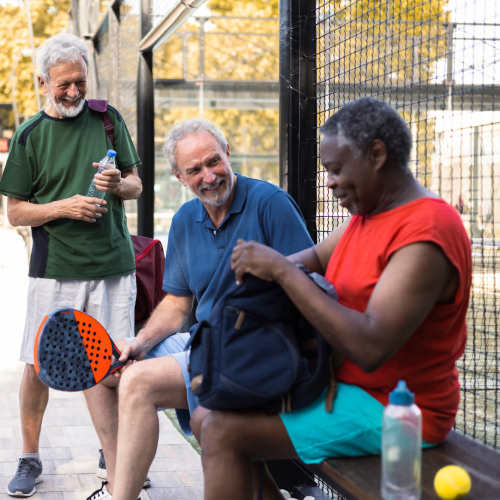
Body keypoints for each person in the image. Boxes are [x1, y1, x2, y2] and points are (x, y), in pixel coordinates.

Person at [189, 97, 473, 500]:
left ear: (376, 154)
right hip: (343, 388)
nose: (330, 182)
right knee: (206, 416)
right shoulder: (368, 216)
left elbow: (371, 345)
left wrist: (281, 271)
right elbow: (315, 258)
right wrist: (259, 265)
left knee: (221, 431)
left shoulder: (427, 230)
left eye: (337, 170)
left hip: (397, 410)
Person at [84, 118, 314, 500]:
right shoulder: (184, 220)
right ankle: (120, 478)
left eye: (214, 162)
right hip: (202, 342)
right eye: (195, 170)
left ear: (229, 155)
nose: (208, 176)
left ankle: (119, 497)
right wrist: (139, 344)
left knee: (139, 383)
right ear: (178, 176)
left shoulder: (271, 204)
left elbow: (307, 283)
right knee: (100, 359)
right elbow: (177, 303)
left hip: (255, 351)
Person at [0, 33, 142, 497]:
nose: (75, 92)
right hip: (54, 268)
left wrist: (118, 183)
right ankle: (29, 456)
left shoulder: (107, 119)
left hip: (113, 267)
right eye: (64, 84)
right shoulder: (29, 135)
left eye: (80, 81)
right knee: (38, 365)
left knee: (113, 365)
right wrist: (64, 207)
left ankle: (114, 454)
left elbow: (136, 186)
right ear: (44, 83)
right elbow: (16, 212)